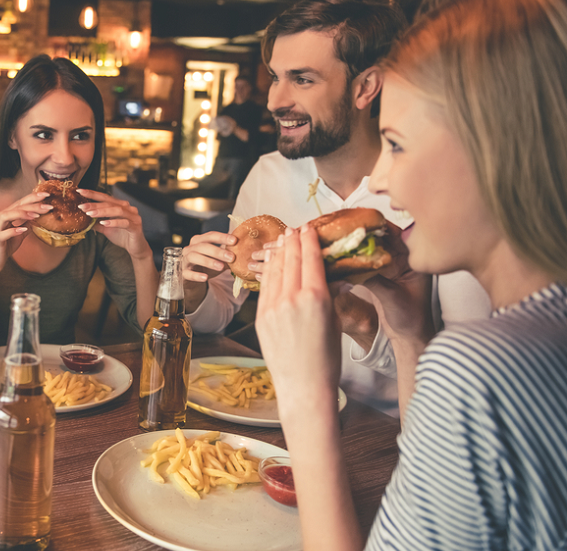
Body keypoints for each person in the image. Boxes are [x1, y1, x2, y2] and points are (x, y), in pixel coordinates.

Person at [257, 0, 567, 547]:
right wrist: (408, 331)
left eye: (396, 145)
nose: (377, 180)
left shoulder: (479, 368)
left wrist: (304, 394)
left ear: (493, 152)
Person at [179, 0, 490, 415]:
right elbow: (218, 316)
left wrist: (359, 320)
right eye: (275, 77)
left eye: (302, 79)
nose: (274, 100)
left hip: (391, 434)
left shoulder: (441, 191)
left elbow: (472, 382)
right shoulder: (268, 174)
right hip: (274, 414)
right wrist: (195, 286)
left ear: (365, 87)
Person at [0, 55, 158, 355]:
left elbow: (151, 329)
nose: (64, 158)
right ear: (13, 136)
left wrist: (142, 256)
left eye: (80, 136)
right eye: (43, 135)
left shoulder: (94, 213)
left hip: (67, 384)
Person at [208, 76, 262, 198]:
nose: (239, 90)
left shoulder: (254, 110)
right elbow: (219, 135)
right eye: (237, 86)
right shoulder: (227, 109)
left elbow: (249, 137)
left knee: (233, 196)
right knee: (214, 192)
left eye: (243, 86)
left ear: (249, 88)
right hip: (222, 155)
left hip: (240, 158)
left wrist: (233, 126)